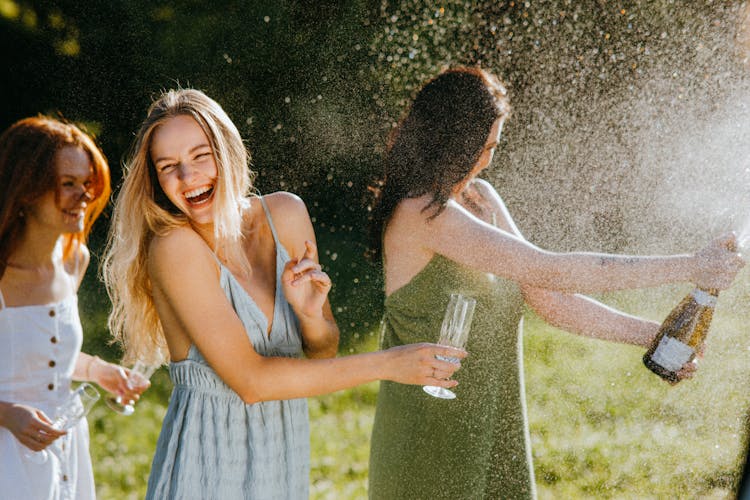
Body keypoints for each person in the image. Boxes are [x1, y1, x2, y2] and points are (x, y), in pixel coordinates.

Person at [366, 67, 745, 500]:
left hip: (492, 423)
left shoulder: (481, 200)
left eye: (494, 146)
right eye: (484, 146)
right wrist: (691, 265)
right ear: (452, 140)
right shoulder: (421, 214)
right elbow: (551, 269)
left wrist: (652, 336)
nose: (489, 158)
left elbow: (549, 298)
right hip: (427, 435)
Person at [101, 88, 466, 499]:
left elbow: (322, 350)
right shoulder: (175, 248)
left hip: (282, 454)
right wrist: (388, 364)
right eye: (168, 166)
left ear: (227, 151)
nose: (187, 177)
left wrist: (310, 316)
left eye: (200, 156)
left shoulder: (286, 215)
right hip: (208, 465)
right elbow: (252, 382)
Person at [0, 116, 148, 500]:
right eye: (68, 184)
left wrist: (99, 371)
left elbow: (43, 353)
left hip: (65, 450)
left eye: (87, 184)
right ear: (27, 188)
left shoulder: (74, 260)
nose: (83, 195)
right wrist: (7, 414)